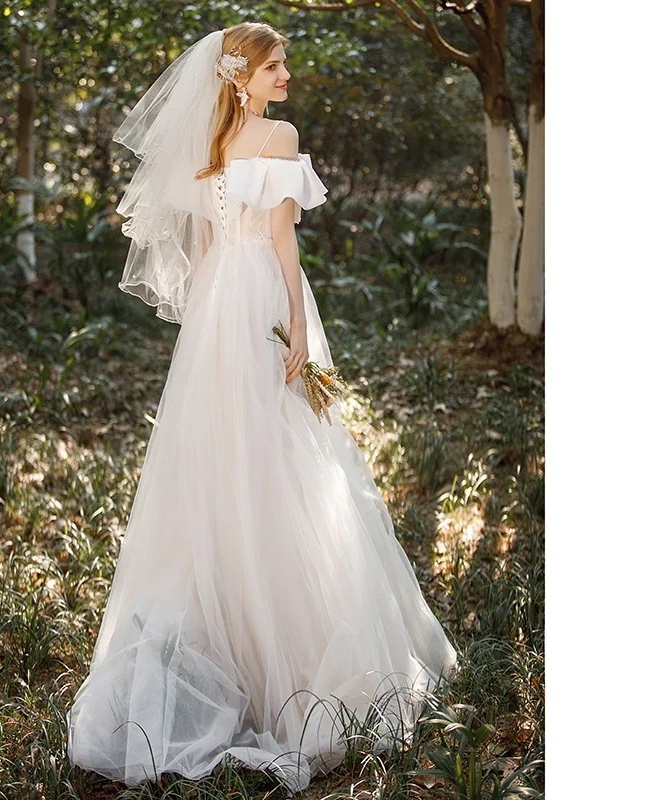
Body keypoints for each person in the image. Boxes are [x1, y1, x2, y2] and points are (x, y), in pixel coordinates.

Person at [66, 21, 457, 795]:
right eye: (274, 65)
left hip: (219, 309)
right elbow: (283, 243)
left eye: (284, 64)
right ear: (240, 74)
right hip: (262, 299)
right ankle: (276, 648)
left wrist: (214, 324)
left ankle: (226, 636)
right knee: (282, 454)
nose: (286, 75)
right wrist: (298, 328)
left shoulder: (210, 143)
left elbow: (206, 248)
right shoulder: (279, 137)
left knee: (228, 453)